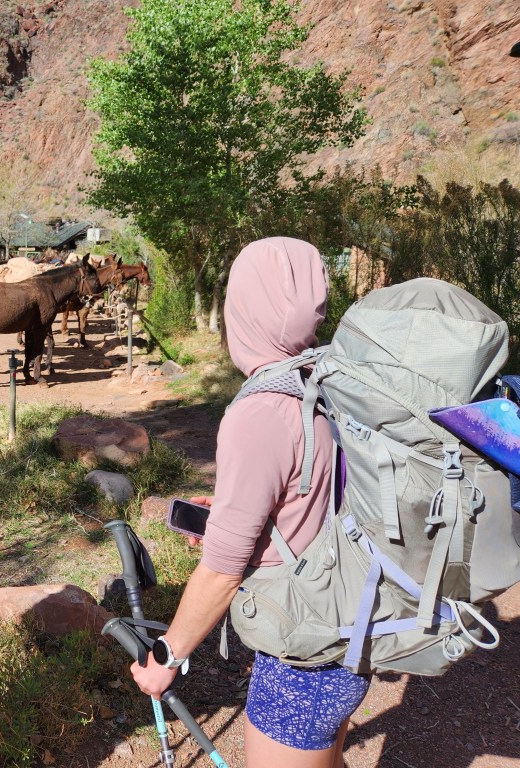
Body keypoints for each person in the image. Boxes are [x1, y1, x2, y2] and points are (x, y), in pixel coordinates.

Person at [130, 237, 370, 768]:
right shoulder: (321, 382)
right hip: (346, 627)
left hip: (302, 656)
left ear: (243, 311)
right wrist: (232, 508)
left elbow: (222, 571)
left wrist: (166, 657)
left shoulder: (261, 411)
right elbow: (310, 493)